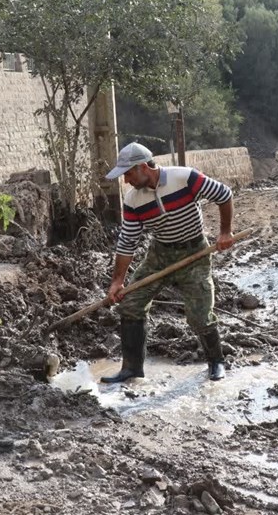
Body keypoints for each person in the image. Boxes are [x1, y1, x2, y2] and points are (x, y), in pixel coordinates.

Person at [101, 142, 235, 384]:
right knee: (130, 303)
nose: (126, 181)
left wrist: (225, 232)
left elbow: (224, 195)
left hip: (194, 252)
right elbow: (127, 242)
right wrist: (117, 281)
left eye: (128, 174)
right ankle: (131, 369)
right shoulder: (132, 200)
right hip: (160, 255)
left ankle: (216, 361)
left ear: (143, 167)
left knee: (199, 315)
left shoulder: (184, 178)